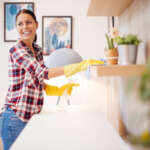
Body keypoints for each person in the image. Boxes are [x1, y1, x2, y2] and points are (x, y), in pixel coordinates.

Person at [0, 9, 104, 150]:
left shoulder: (36, 50)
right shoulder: (16, 49)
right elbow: (43, 73)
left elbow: (38, 81)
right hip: (15, 117)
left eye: (28, 22)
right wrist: (79, 66)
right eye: (20, 24)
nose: (25, 27)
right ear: (17, 27)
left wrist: (57, 90)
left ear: (36, 25)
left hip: (30, 115)